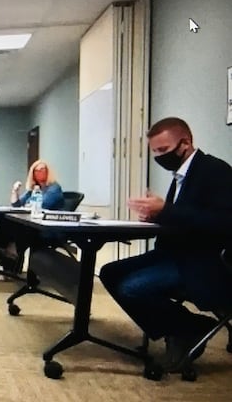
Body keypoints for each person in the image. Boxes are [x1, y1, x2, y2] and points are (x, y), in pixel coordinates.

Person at [99, 117, 232, 372]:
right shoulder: (181, 175)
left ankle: (189, 330)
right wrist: (157, 215)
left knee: (131, 288)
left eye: (163, 150)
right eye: (155, 152)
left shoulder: (215, 171)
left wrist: (167, 211)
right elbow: (185, 218)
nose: (159, 157)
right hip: (175, 253)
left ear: (185, 143)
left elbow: (224, 222)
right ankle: (180, 328)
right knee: (109, 272)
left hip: (206, 263)